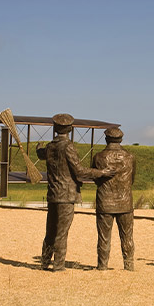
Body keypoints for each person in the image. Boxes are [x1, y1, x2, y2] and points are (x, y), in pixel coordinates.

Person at [36, 113, 114, 271]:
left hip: (53, 194)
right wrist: (102, 173)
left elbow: (41, 153)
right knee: (62, 232)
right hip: (66, 195)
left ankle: (45, 261)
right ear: (70, 129)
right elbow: (79, 171)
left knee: (50, 231)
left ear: (55, 128)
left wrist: (38, 147)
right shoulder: (68, 147)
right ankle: (58, 265)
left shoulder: (50, 147)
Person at [92, 127, 136, 270]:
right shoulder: (130, 157)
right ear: (121, 139)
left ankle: (102, 266)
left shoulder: (99, 157)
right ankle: (129, 265)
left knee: (104, 237)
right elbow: (132, 179)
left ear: (106, 139)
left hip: (105, 202)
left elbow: (95, 177)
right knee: (127, 236)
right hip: (125, 202)